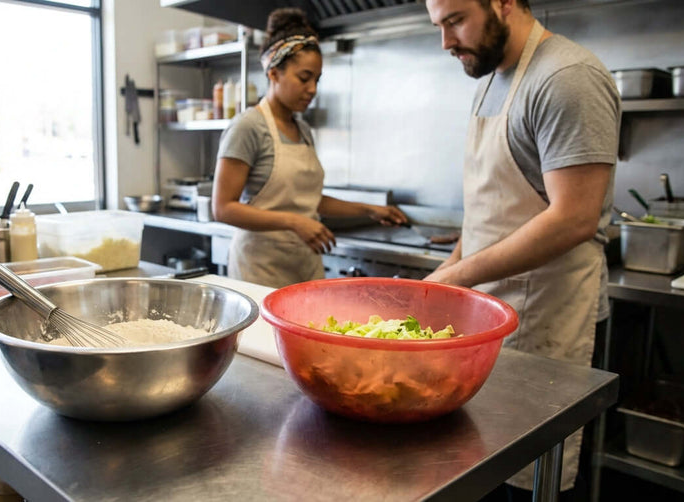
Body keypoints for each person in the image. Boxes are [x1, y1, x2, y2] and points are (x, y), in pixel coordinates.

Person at [421, 0, 619, 500]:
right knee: (482, 465)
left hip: (542, 321)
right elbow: (487, 208)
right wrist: (450, 269)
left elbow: (574, 216)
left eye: (455, 21)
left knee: (532, 477)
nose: (446, 42)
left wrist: (457, 278)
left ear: (505, 3)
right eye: (438, 25)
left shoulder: (567, 76)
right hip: (486, 320)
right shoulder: (490, 79)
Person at [213, 7, 407, 288]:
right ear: (274, 73)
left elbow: (308, 200)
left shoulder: (302, 129)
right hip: (261, 270)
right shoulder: (247, 127)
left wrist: (370, 209)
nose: (313, 88)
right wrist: (295, 222)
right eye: (304, 78)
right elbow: (223, 208)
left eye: (317, 79)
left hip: (305, 265)